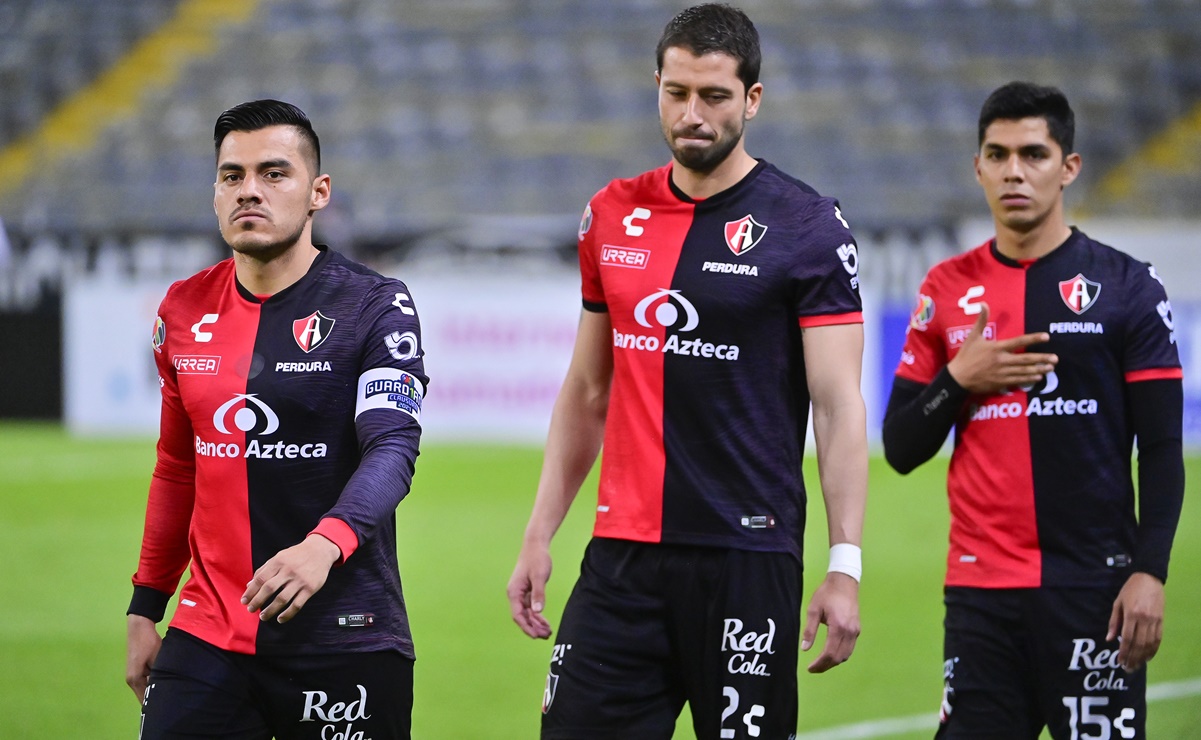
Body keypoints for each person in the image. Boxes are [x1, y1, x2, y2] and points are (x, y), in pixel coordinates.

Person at [506, 5, 869, 738]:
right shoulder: (611, 214)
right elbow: (586, 389)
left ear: (751, 100)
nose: (691, 114)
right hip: (621, 559)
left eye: (713, 96)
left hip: (747, 557)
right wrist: (540, 532)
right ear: (657, 88)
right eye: (676, 93)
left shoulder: (806, 227)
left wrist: (844, 565)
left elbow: (836, 406)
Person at [883, 81, 1184, 739]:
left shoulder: (1128, 287)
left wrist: (1149, 573)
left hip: (1095, 595)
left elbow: (1161, 448)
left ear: (1068, 167)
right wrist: (959, 376)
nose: (1013, 171)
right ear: (978, 167)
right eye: (997, 154)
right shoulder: (946, 289)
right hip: (980, 597)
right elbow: (901, 446)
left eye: (1033, 154)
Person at [125, 99, 427, 739]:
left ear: (318, 192)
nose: (249, 192)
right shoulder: (182, 309)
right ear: (214, 193)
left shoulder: (376, 305)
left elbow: (392, 447)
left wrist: (323, 547)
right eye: (231, 176)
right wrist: (146, 606)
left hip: (345, 637)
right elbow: (179, 466)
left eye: (273, 173)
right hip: (205, 636)